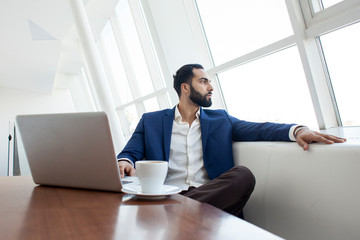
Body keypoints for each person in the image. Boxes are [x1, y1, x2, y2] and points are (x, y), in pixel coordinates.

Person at [117, 63, 346, 218]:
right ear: (185, 88)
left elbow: (259, 129)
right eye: (204, 81)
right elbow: (130, 152)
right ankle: (183, 212)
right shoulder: (152, 121)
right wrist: (125, 161)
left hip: (208, 194)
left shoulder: (220, 119)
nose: (211, 87)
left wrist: (297, 130)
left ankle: (176, 213)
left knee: (242, 175)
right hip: (169, 193)